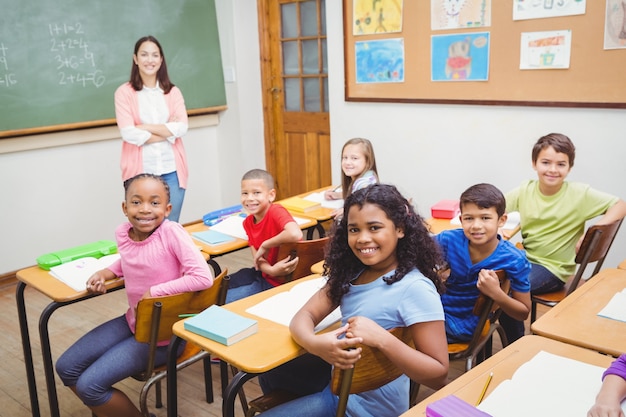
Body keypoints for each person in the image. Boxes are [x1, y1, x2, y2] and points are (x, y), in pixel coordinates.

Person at [260, 184, 449, 417]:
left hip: (366, 409)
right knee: (269, 371)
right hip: (339, 386)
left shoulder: (415, 288)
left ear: (400, 229)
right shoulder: (352, 273)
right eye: (354, 230)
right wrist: (317, 344)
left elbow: (439, 374)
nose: (363, 238)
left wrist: (382, 339)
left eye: (374, 227)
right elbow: (304, 316)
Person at [55, 173, 213, 417]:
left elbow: (203, 277)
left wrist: (154, 291)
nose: (145, 210)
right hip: (133, 322)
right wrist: (107, 272)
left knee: (90, 386)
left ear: (168, 208)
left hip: (163, 335)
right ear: (125, 207)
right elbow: (134, 258)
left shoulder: (171, 233)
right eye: (137, 202)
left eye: (154, 202)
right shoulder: (123, 234)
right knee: (66, 367)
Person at [506, 133, 626, 295]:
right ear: (534, 164)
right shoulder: (524, 190)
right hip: (525, 258)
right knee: (487, 278)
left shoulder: (579, 194)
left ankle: (497, 317)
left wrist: (595, 229)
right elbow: (495, 208)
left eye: (561, 164)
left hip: (554, 269)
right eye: (546, 163)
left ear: (569, 168)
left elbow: (620, 205)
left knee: (511, 289)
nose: (553, 170)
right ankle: (491, 318)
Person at [434, 183, 531, 344]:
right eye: (469, 218)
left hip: (467, 325)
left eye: (485, 218)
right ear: (461, 219)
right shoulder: (449, 240)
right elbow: (418, 249)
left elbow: (523, 312)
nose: (476, 225)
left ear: (502, 220)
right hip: (439, 309)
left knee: (404, 332)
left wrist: (497, 293)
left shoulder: (514, 259)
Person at [114, 35, 190, 223]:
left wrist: (144, 127)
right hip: (140, 172)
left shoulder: (172, 92)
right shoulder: (124, 93)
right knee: (145, 227)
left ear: (161, 59)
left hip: (171, 170)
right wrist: (166, 132)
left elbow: (181, 127)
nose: (150, 60)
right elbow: (128, 133)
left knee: (170, 227)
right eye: (144, 55)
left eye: (155, 55)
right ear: (135, 59)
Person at [225, 169, 303, 303]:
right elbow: (258, 259)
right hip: (267, 274)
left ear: (271, 195)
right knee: (221, 287)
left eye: (256, 193)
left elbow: (295, 233)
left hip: (281, 284)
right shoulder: (248, 223)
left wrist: (266, 244)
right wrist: (271, 270)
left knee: (225, 301)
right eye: (245, 193)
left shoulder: (275, 211)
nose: (249, 198)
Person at [324, 138, 379, 217]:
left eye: (354, 158)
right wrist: (337, 195)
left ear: (367, 161)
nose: (347, 162)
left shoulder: (364, 183)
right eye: (345, 157)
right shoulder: (369, 175)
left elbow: (365, 203)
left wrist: (346, 210)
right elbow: (356, 194)